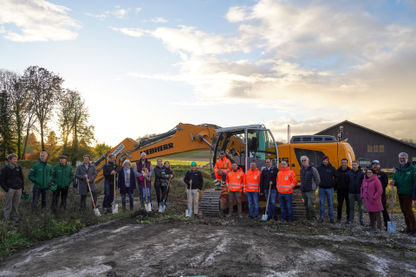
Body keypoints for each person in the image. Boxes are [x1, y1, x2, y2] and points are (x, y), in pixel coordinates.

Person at [391, 152, 416, 235]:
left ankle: (414, 229)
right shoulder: (398, 170)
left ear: (407, 158)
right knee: (404, 211)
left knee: (409, 211)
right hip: (400, 192)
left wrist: (414, 195)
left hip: (408, 193)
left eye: (403, 158)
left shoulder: (412, 169)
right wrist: (393, 183)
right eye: (400, 158)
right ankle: (408, 227)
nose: (402, 160)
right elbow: (395, 180)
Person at [0, 154, 25, 223]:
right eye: (14, 159)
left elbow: (22, 178)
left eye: (16, 159)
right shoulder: (5, 168)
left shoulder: (18, 167)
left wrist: (22, 188)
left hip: (18, 189)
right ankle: (6, 219)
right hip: (10, 189)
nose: (15, 160)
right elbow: (1, 180)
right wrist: (6, 189)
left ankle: (15, 218)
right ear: (10, 160)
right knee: (8, 205)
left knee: (16, 205)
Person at [300, 155, 320, 220]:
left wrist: (315, 187)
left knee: (310, 205)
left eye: (305, 160)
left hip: (310, 190)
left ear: (308, 161)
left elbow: (318, 179)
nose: (303, 162)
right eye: (302, 160)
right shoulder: (301, 170)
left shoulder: (313, 169)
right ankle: (308, 218)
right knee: (306, 205)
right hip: (303, 190)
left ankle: (314, 216)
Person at [372, 160, 390, 230]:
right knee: (373, 210)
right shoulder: (369, 174)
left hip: (381, 195)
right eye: (373, 164)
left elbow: (384, 184)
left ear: (379, 166)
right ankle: (373, 224)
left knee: (384, 210)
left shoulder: (383, 174)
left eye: (377, 164)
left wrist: (377, 191)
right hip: (372, 196)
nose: (375, 166)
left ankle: (387, 225)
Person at [317, 155, 336, 223]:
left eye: (326, 160)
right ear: (322, 161)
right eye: (324, 160)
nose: (325, 161)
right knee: (322, 203)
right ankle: (322, 217)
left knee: (330, 204)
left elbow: (336, 177)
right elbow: (316, 177)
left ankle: (331, 218)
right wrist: (318, 183)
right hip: (321, 188)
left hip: (329, 189)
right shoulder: (319, 168)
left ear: (328, 161)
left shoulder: (332, 168)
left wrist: (332, 184)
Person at [347, 161, 364, 225]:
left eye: (355, 165)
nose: (354, 166)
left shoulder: (361, 173)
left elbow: (364, 183)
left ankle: (361, 220)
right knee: (351, 207)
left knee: (360, 208)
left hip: (359, 192)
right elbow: (347, 182)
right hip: (351, 192)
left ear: (358, 165)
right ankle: (351, 220)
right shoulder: (349, 173)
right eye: (353, 165)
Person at [335, 158, 351, 223]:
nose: (344, 164)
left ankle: (348, 218)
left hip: (348, 191)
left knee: (348, 205)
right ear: (341, 163)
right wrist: (335, 188)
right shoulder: (338, 170)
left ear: (347, 163)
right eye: (342, 162)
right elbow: (335, 180)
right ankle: (339, 218)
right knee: (339, 205)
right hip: (340, 191)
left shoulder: (350, 171)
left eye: (345, 163)